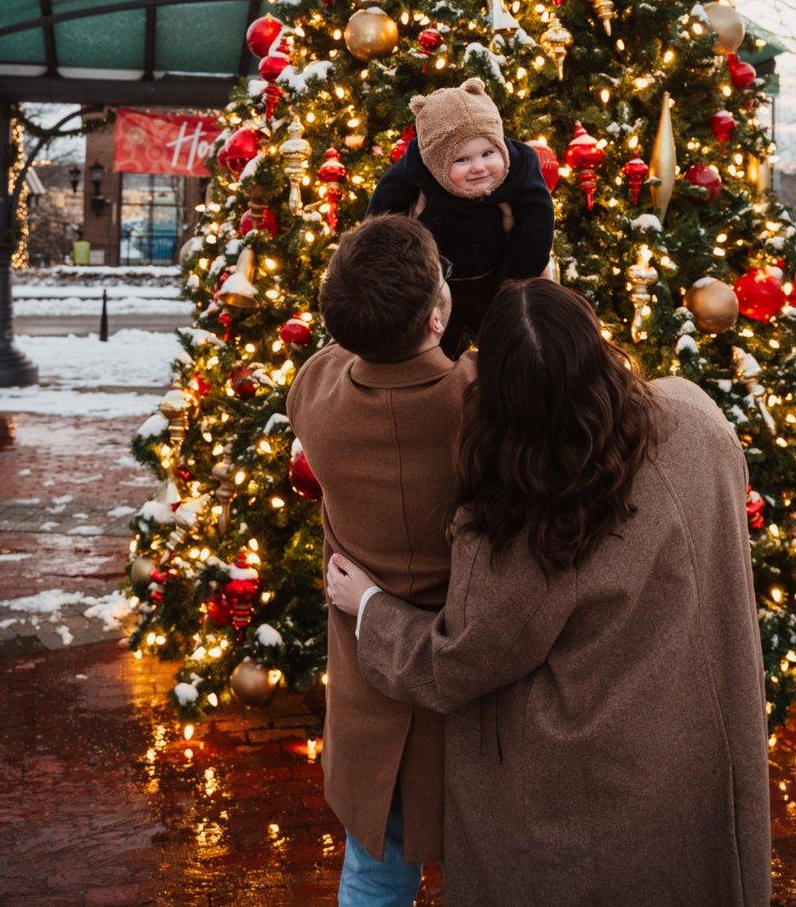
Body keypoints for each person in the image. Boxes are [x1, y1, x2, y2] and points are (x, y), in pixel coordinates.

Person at [327, 279, 772, 907]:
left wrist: (369, 607)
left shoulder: (522, 517)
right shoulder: (696, 419)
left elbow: (455, 663)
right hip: (700, 754)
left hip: (590, 789)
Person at [286, 215, 475, 907]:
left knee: (373, 875)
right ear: (435, 319)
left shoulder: (317, 391)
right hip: (468, 700)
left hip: (371, 693)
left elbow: (340, 354)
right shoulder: (477, 404)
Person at [367, 76, 554, 356]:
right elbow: (382, 213)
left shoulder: (521, 165)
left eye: (488, 153)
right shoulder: (417, 167)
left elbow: (537, 226)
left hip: (497, 277)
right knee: (439, 349)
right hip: (439, 285)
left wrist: (515, 283)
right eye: (461, 160)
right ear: (436, 163)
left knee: (507, 344)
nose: (478, 167)